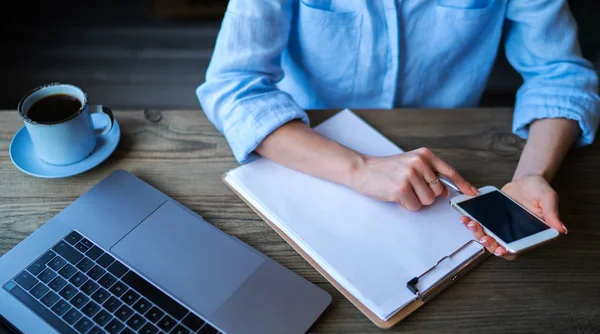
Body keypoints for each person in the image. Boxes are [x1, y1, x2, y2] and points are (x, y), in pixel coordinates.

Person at [197, 0, 600, 257]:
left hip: (448, 153)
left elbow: (560, 75)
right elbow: (233, 86)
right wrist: (358, 168)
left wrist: (533, 174)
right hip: (308, 148)